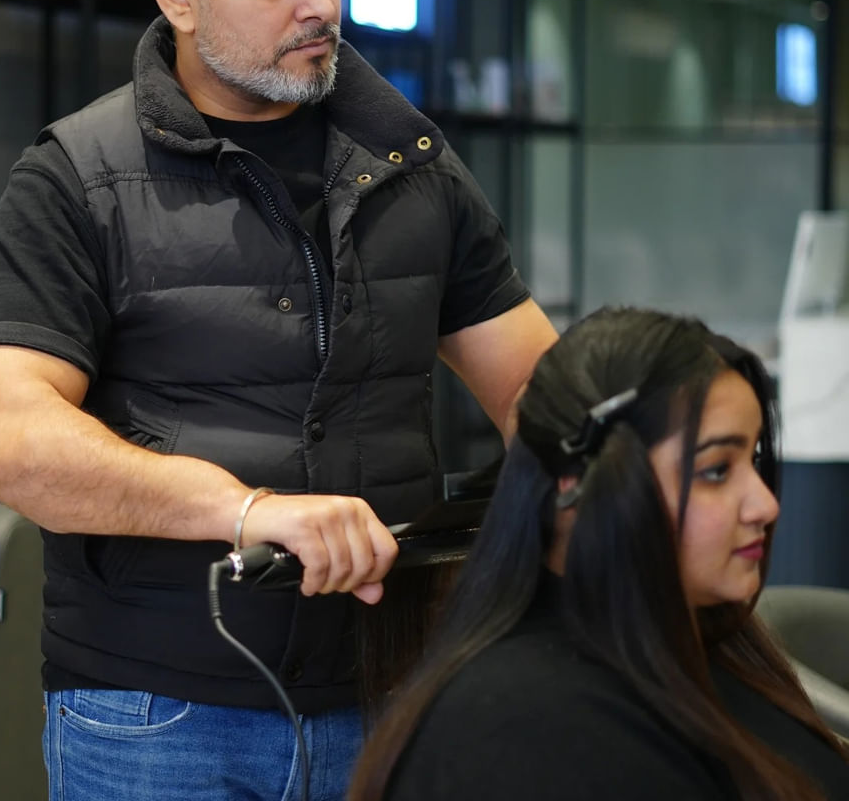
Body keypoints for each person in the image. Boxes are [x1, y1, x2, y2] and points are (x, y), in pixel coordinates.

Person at [0, 0, 557, 801]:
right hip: (155, 716)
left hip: (389, 691)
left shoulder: (414, 165)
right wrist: (244, 509)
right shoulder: (77, 180)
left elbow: (540, 396)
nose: (318, 2)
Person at [348, 307, 849, 801]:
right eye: (716, 470)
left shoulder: (705, 647)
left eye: (754, 459)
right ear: (577, 488)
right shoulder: (520, 731)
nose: (766, 503)